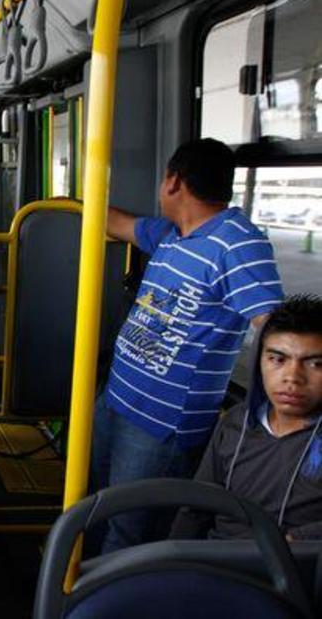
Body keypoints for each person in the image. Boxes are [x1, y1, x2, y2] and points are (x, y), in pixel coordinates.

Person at [90, 138, 285, 554]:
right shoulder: (170, 235)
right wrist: (69, 202)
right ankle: (74, 586)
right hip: (117, 398)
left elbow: (276, 329)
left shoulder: (238, 241)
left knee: (130, 534)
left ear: (173, 181)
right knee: (94, 507)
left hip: (161, 423)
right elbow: (114, 223)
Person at [171, 295, 322, 541]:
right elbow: (196, 507)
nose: (292, 377)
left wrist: (298, 539)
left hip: (289, 571)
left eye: (315, 364)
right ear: (259, 361)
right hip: (214, 563)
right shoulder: (236, 421)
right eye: (277, 359)